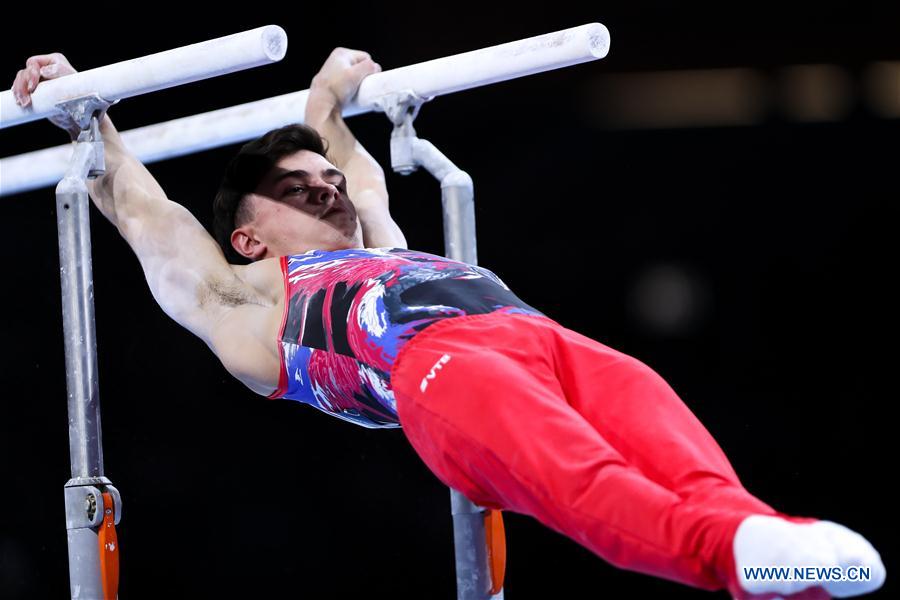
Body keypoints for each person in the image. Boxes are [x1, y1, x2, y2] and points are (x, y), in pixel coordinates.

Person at [11, 48, 885, 599]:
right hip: (440, 376)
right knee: (583, 479)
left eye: (326, 178)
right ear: (243, 236)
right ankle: (724, 552)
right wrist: (90, 123)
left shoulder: (384, 245)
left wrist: (334, 89)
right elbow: (145, 214)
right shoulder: (241, 297)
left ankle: (768, 551)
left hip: (541, 337)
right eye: (293, 188)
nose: (323, 187)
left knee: (673, 447)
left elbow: (348, 156)